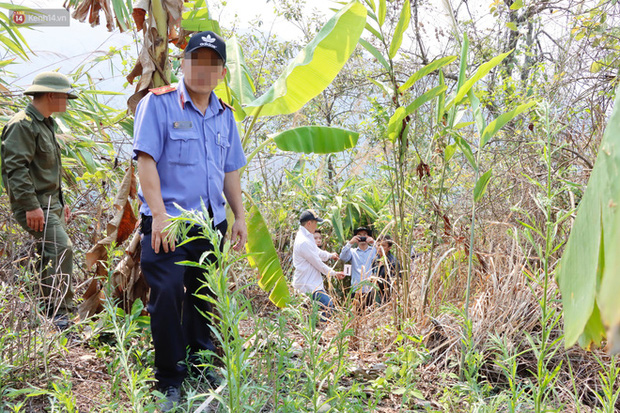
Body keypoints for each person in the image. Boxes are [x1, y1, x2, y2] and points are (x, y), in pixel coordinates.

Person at [132, 31, 247, 410]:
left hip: (210, 225)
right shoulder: (158, 104)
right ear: (183, 64)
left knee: (203, 295)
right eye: (196, 60)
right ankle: (169, 378)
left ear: (222, 72)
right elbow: (145, 161)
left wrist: (239, 216)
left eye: (212, 64)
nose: (203, 69)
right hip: (169, 223)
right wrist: (160, 215)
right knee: (165, 297)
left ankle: (200, 362)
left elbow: (230, 171)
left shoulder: (224, 116)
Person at [1, 71, 76, 329]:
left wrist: (61, 202)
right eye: (65, 96)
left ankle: (46, 312)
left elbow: (48, 170)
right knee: (61, 248)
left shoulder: (46, 123)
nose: (67, 101)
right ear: (51, 95)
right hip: (35, 205)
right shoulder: (22, 125)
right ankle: (59, 317)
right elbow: (16, 170)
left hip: (51, 204)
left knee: (49, 254)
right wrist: (31, 206)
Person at [292, 209, 345, 320]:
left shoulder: (306, 236)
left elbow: (317, 252)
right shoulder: (303, 242)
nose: (316, 226)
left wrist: (330, 255)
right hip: (307, 285)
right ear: (309, 223)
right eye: (315, 223)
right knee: (329, 306)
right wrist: (334, 273)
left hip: (311, 284)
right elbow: (318, 264)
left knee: (315, 312)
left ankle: (317, 331)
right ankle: (321, 332)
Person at [340, 226, 377, 307]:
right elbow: (342, 258)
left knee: (370, 314)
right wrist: (350, 243)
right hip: (356, 290)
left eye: (365, 235)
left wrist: (373, 242)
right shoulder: (352, 252)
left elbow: (383, 252)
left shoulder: (373, 250)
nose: (362, 237)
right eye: (359, 235)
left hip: (369, 289)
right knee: (356, 315)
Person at [372, 235, 400, 304]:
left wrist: (379, 281)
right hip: (376, 296)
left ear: (389, 248)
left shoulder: (393, 262)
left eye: (383, 246)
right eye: (378, 245)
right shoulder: (375, 260)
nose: (380, 248)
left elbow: (397, 282)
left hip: (389, 298)